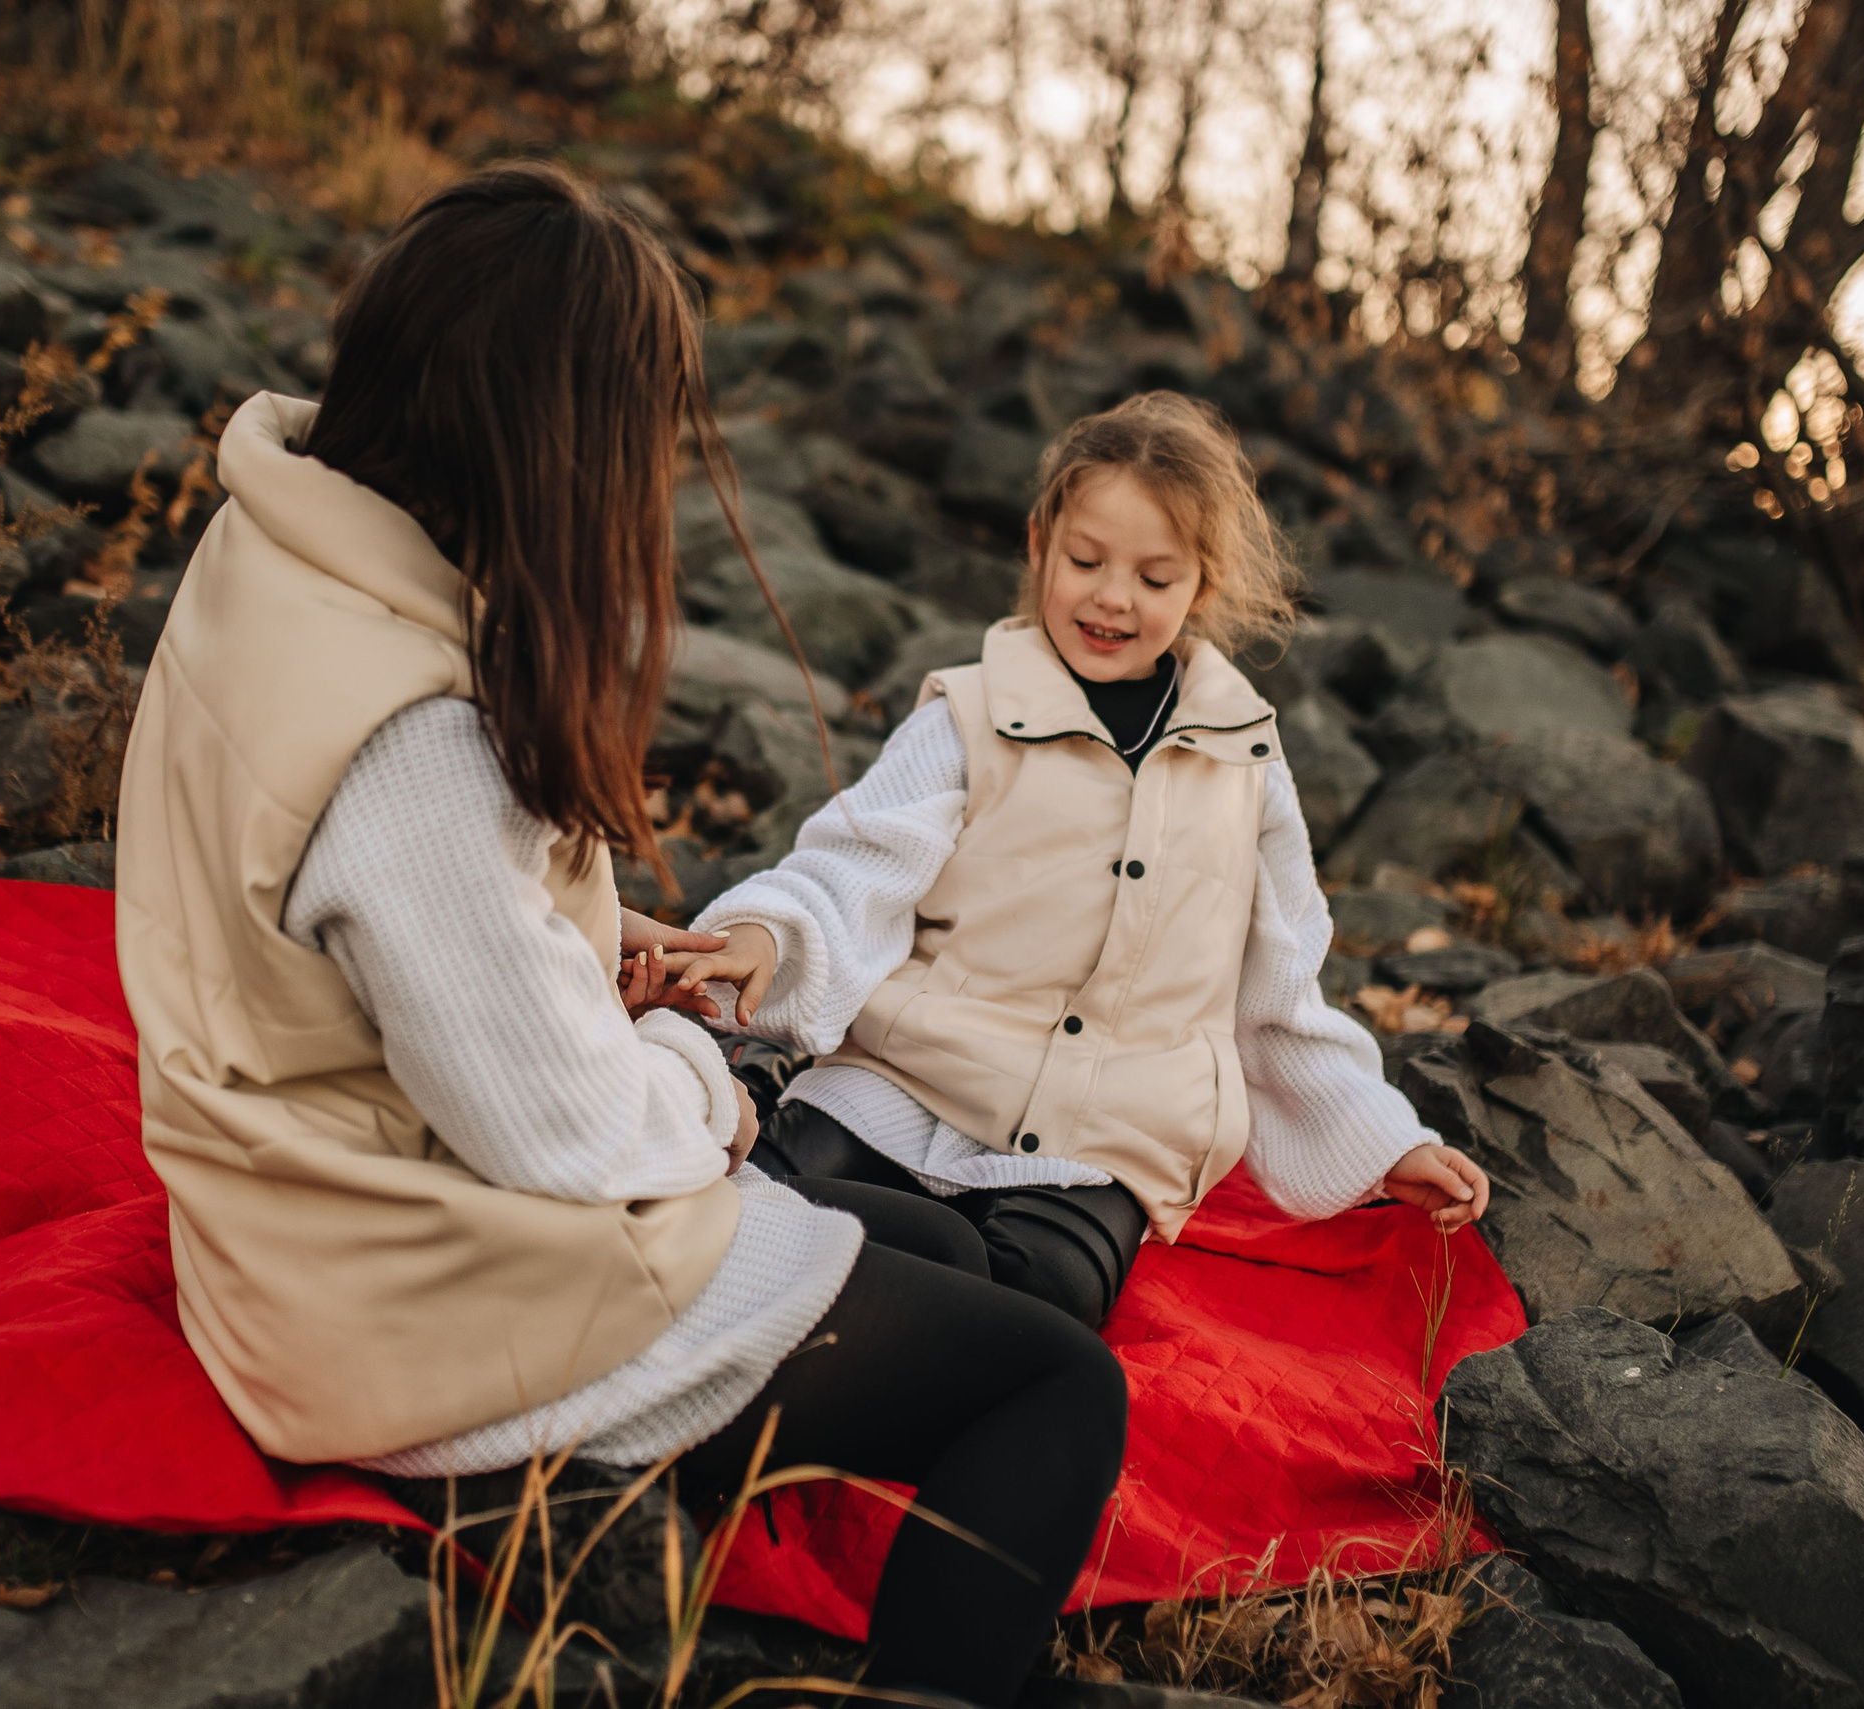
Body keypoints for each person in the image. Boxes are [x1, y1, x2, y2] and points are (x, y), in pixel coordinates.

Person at [111, 160, 1123, 1709]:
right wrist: (707, 1076)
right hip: (397, 1296)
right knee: (1058, 1386)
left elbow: (359, 913)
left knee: (919, 1241)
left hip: (322, 1194)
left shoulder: (285, 541)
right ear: (561, 438)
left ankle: (638, 1499)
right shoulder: (414, 753)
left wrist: (567, 943)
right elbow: (564, 1131)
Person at [667, 391, 1492, 1331]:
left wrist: (1385, 1142)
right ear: (1038, 547)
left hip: (1103, 1142)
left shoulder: (1247, 769)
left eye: (1153, 575)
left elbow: (1280, 996)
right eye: (1087, 560)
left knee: (1041, 1299)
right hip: (901, 1082)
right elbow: (859, 865)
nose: (1112, 596)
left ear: (1202, 586)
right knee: (758, 1205)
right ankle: (819, 1256)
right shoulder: (965, 717)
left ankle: (881, 1298)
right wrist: (767, 936)